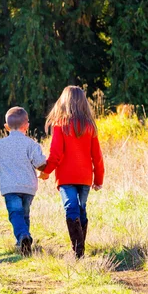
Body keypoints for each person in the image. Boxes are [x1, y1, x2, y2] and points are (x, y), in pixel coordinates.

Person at [39, 86, 104, 258]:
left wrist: (46, 171)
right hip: (84, 177)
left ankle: (78, 250)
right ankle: (79, 250)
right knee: (81, 209)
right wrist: (98, 179)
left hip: (66, 178)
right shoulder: (90, 126)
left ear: (64, 102)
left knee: (71, 208)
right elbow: (97, 157)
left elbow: (56, 154)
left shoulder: (60, 125)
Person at [0, 107, 46, 256]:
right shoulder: (32, 145)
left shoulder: (0, 145)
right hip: (28, 188)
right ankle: (23, 239)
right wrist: (47, 166)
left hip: (10, 187)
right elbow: (40, 163)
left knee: (15, 214)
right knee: (24, 214)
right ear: (27, 126)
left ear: (6, 127)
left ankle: (23, 237)